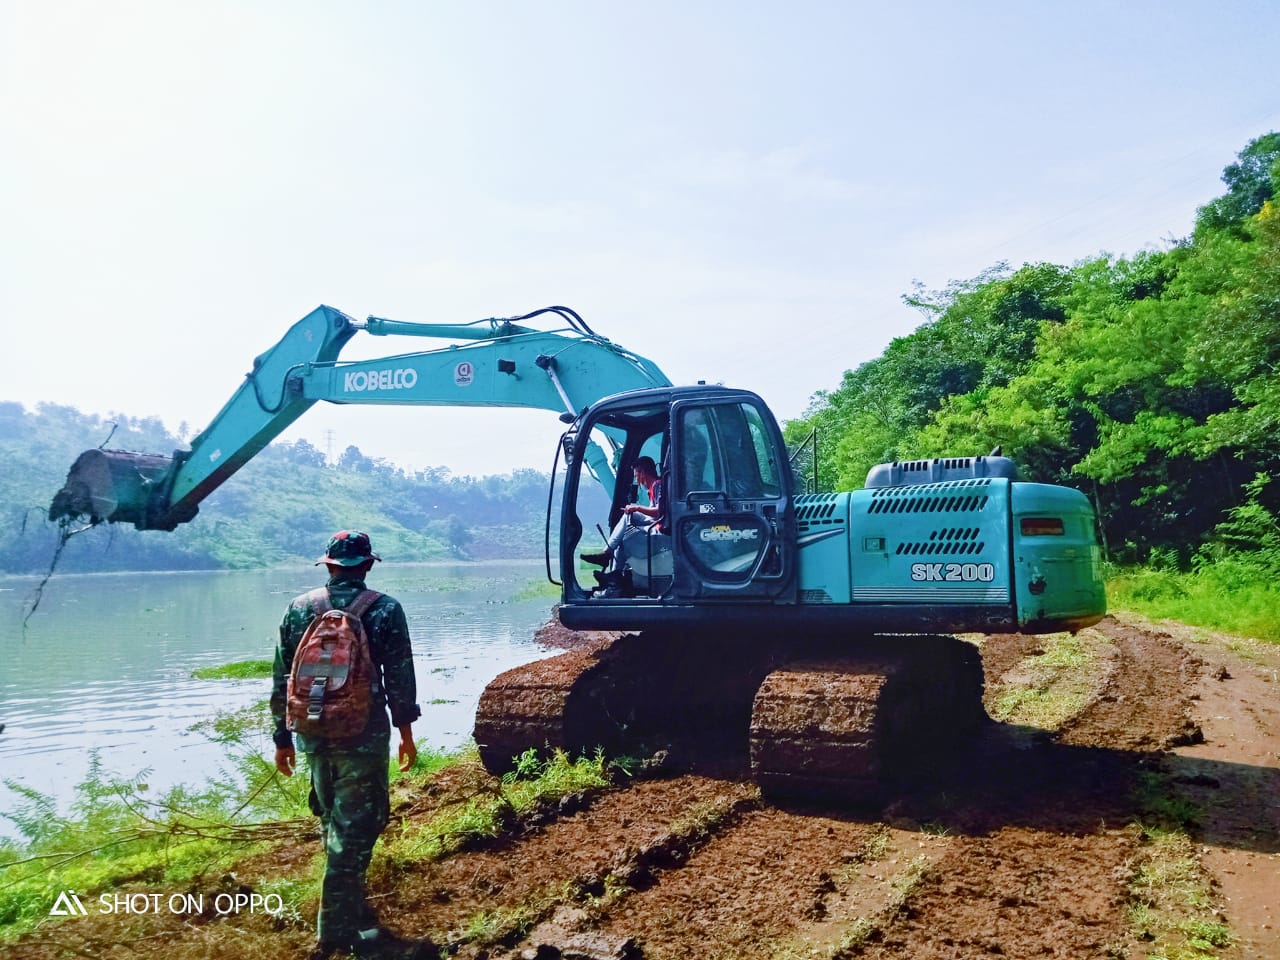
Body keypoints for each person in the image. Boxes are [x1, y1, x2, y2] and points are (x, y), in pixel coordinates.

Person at [270, 530, 421, 959]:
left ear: (330, 566)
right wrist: (405, 733)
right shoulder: (386, 610)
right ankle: (334, 936)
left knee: (333, 820)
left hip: (313, 732)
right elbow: (400, 675)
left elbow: (282, 675)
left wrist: (282, 738)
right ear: (367, 565)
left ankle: (354, 913)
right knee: (356, 828)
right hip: (363, 733)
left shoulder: (300, 608)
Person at [581, 455, 665, 574]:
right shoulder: (652, 488)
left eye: (636, 476)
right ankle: (614, 576)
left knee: (629, 515)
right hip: (654, 522)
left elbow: (659, 512)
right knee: (623, 538)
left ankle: (607, 554)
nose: (637, 480)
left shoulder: (658, 485)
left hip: (658, 526)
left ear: (643, 473)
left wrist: (637, 507)